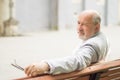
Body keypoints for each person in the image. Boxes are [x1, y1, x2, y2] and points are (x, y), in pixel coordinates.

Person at [24, 10, 109, 77]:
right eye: (78, 23)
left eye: (84, 24)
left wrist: (47, 65)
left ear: (97, 27)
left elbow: (78, 61)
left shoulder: (92, 45)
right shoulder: (102, 38)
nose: (79, 28)